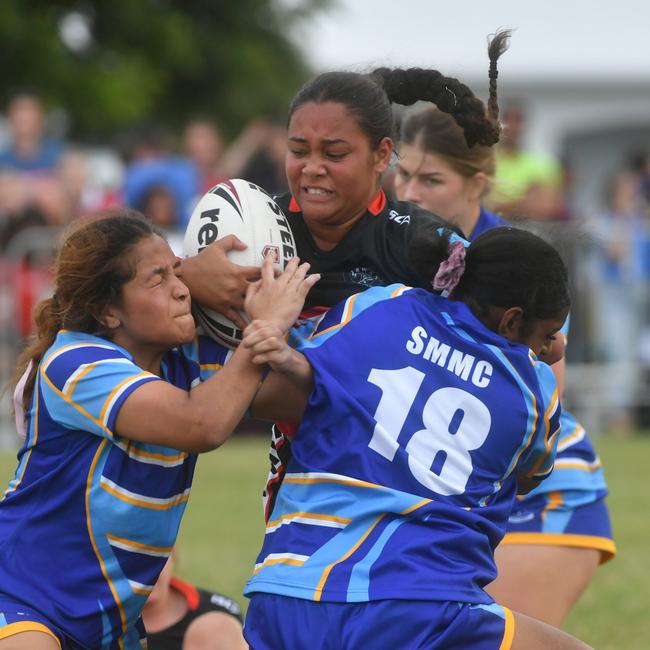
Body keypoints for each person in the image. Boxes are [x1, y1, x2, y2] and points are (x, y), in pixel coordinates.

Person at [179, 52, 505, 522]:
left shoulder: (417, 242)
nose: (312, 168)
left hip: (406, 474)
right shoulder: (255, 228)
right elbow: (130, 283)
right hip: (304, 465)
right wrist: (187, 275)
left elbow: (523, 326)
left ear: (381, 155)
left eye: (334, 154)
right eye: (298, 151)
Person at [241, 227, 591, 650]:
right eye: (547, 336)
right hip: (418, 604)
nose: (551, 348)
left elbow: (311, 372)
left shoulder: (377, 304)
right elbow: (533, 473)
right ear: (512, 320)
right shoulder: (532, 389)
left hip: (284, 589)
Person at [0, 209, 317, 650]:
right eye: (158, 279)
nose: (181, 289)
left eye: (178, 270)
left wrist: (263, 323)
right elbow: (201, 423)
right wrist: (263, 331)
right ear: (109, 310)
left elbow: (300, 397)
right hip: (20, 598)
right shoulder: (74, 363)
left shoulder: (183, 359)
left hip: (109, 626)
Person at [392, 51, 615, 626]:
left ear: (478, 183)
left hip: (535, 485)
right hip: (439, 478)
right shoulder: (391, 246)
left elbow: (543, 412)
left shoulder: (522, 266)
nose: (410, 192)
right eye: (403, 173)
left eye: (431, 179)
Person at [143, 548, 246, 650]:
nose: (147, 570)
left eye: (155, 554)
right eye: (130, 558)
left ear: (173, 553)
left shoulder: (217, 616)